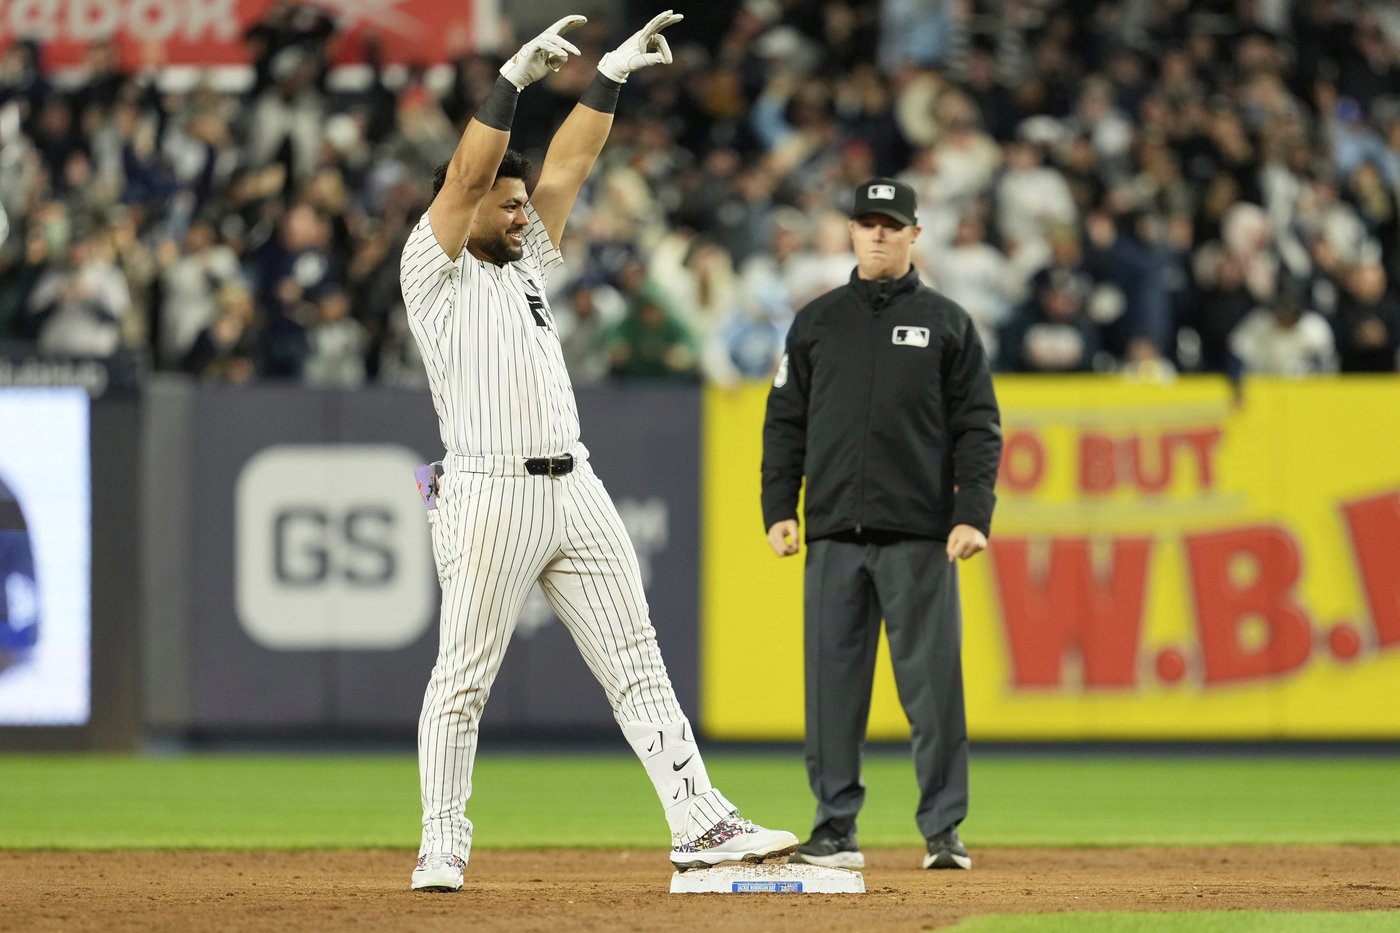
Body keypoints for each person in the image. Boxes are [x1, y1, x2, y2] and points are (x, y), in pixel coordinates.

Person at [398, 11, 797, 892]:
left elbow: (571, 162)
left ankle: (699, 820)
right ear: (460, 210)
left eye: (518, 200)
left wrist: (609, 73)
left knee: (638, 660)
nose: (521, 208)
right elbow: (468, 173)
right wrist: (510, 82)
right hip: (488, 490)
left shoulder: (525, 259)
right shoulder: (433, 269)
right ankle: (442, 842)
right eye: (505, 201)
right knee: (462, 679)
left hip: (574, 483)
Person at [761, 177, 1002, 871]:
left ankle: (943, 830)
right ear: (850, 230)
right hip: (835, 532)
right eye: (867, 222)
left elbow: (979, 428)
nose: (877, 234)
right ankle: (835, 828)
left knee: (933, 691)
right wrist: (780, 507)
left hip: (919, 536)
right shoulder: (817, 322)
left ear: (914, 234)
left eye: (891, 224)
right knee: (832, 692)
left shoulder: (948, 322)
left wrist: (971, 515)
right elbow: (785, 424)